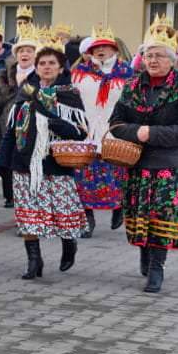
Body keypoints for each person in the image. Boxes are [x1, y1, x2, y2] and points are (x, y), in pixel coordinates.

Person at [0, 42, 89, 280]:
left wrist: (47, 116)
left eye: (52, 64)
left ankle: (69, 245)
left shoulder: (69, 93)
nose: (46, 67)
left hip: (57, 162)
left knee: (63, 211)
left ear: (60, 68)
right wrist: (2, 161)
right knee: (28, 214)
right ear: (36, 68)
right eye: (42, 63)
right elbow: (13, 128)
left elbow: (79, 132)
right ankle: (34, 261)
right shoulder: (25, 91)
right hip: (24, 161)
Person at [109, 30, 178, 294]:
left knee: (162, 215)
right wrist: (136, 132)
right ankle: (145, 253)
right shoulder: (132, 86)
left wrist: (152, 133)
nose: (152, 60)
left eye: (159, 55)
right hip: (136, 163)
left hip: (168, 163)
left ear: (171, 60)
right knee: (139, 214)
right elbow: (115, 123)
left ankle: (156, 268)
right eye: (148, 55)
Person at [71, 27, 134, 238]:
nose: (101, 50)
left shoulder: (127, 73)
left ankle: (119, 207)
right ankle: (87, 217)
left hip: (115, 132)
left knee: (116, 174)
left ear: (114, 49)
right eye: (96, 47)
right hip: (86, 131)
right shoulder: (79, 72)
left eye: (105, 46)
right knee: (83, 176)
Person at [0, 28, 38, 209]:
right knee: (4, 166)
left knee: (24, 171)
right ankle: (11, 198)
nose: (25, 54)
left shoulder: (38, 77)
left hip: (29, 132)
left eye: (29, 51)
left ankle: (24, 207)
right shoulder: (4, 74)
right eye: (21, 51)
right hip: (5, 129)